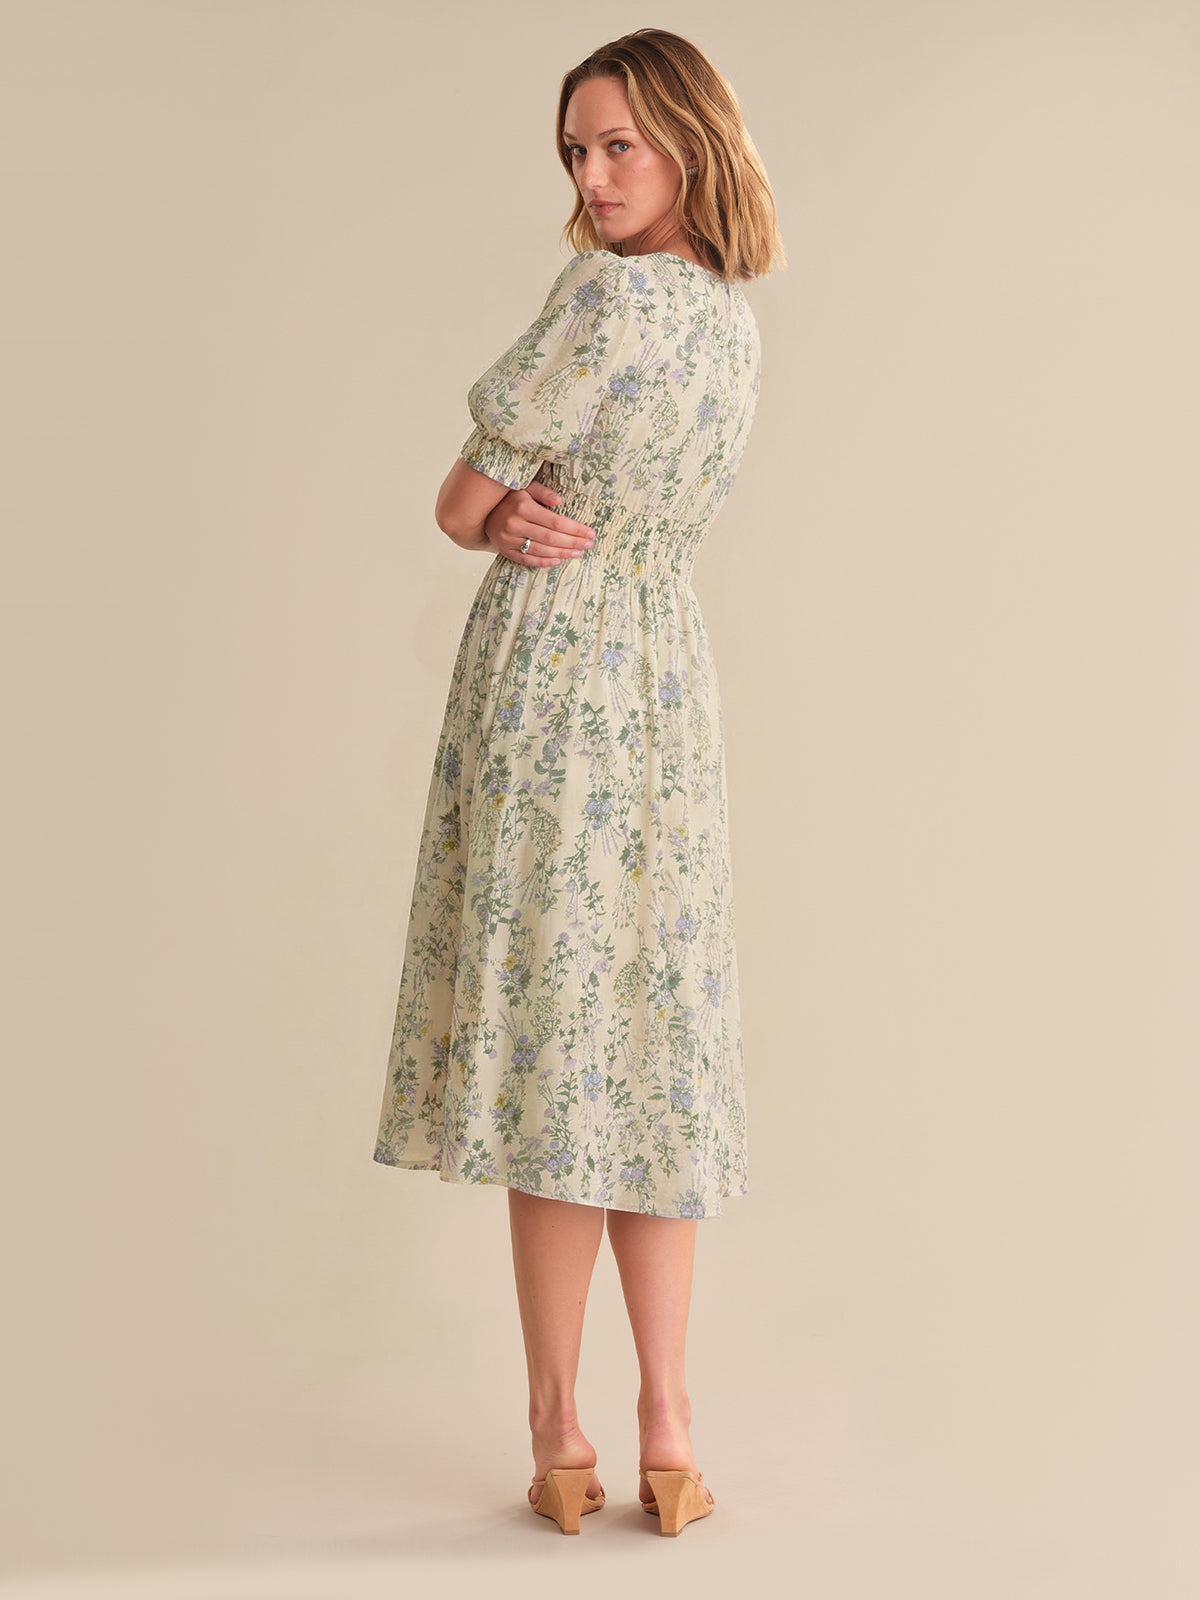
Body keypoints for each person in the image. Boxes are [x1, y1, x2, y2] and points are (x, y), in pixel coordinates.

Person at [372, 28, 784, 1536]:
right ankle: (671, 1426)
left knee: (560, 1047)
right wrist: (519, 513)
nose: (593, 177)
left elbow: (460, 499)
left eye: (618, 145)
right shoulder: (734, 322)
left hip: (556, 675)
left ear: (688, 139)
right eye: (574, 150)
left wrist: (497, 521)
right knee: (652, 1040)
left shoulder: (604, 296)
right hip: (667, 682)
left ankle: (558, 1433)